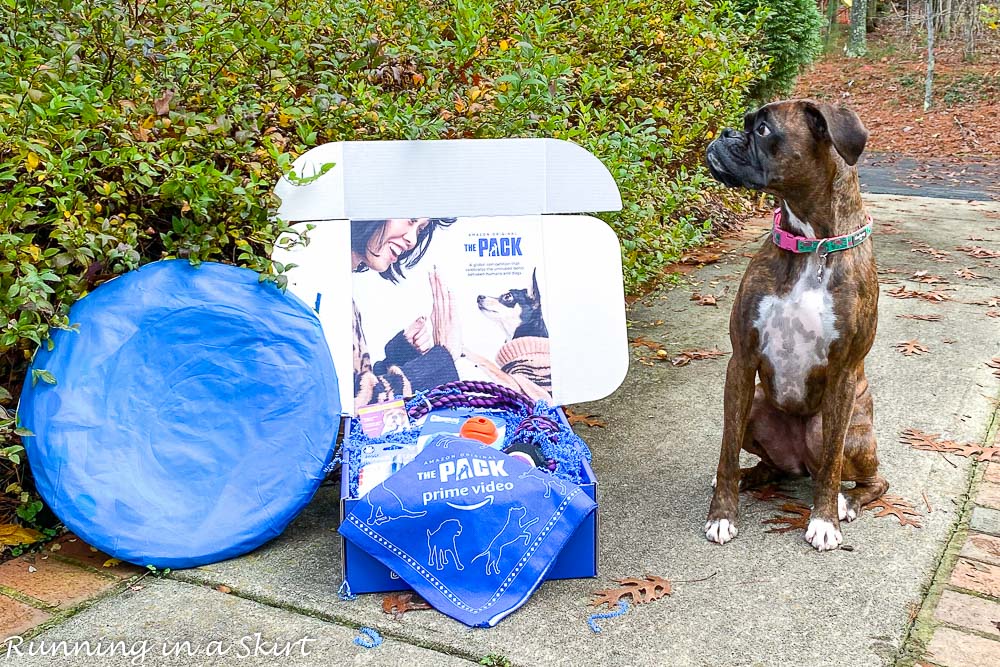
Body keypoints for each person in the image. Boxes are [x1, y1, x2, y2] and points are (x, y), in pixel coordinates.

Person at [351, 218, 463, 411]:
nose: (412, 240)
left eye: (420, 229)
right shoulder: (315, 290)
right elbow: (352, 407)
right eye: (411, 220)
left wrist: (402, 355)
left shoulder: (337, 289)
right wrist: (439, 360)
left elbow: (355, 388)